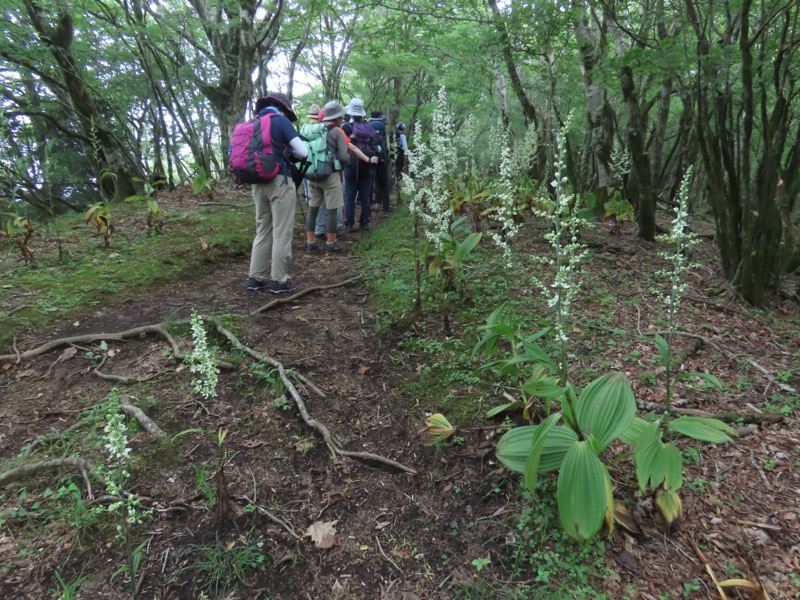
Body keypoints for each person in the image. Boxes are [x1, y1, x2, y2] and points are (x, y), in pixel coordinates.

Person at [246, 92, 307, 294]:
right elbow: (303, 152)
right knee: (282, 230)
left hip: (256, 182)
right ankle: (279, 281)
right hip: (279, 180)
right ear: (282, 108)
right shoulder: (280, 121)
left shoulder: (252, 123)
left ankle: (255, 277)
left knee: (263, 229)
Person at [304, 101, 351, 254]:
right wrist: (343, 164)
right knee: (331, 210)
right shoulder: (336, 132)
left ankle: (310, 242)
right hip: (330, 175)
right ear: (337, 118)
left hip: (312, 175)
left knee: (313, 209)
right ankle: (331, 244)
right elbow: (344, 156)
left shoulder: (312, 129)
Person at [341, 98, 379, 231]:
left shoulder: (345, 127)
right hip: (367, 165)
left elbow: (342, 146)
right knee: (365, 194)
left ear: (350, 112)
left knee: (350, 195)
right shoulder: (369, 127)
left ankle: (349, 223)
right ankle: (364, 222)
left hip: (350, 166)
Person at [368, 110, 391, 216]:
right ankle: (386, 209)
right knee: (383, 183)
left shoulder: (367, 124)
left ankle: (371, 206)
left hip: (368, 157)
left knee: (369, 182)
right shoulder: (382, 126)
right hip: (381, 158)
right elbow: (386, 144)